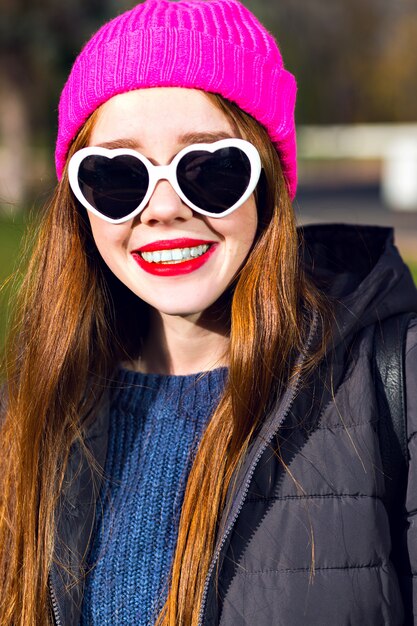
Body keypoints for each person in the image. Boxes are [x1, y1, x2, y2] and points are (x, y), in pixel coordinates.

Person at [1, 0, 417, 624]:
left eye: (210, 168)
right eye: (118, 175)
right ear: (79, 206)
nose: (164, 208)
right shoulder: (22, 413)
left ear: (269, 179)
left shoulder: (396, 379)